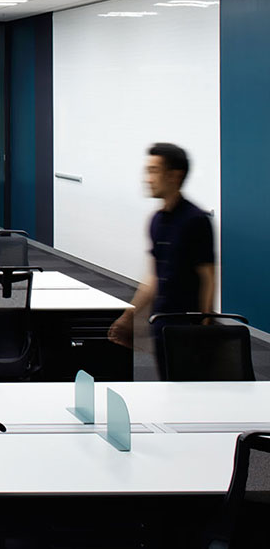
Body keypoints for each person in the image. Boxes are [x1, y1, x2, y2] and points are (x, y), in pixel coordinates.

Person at [108, 143, 215, 378]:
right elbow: (155, 276)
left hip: (188, 326)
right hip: (161, 322)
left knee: (192, 391)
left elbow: (208, 276)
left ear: (174, 175)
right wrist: (129, 316)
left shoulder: (195, 220)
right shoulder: (156, 220)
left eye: (154, 171)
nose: (148, 178)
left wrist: (205, 326)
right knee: (168, 385)